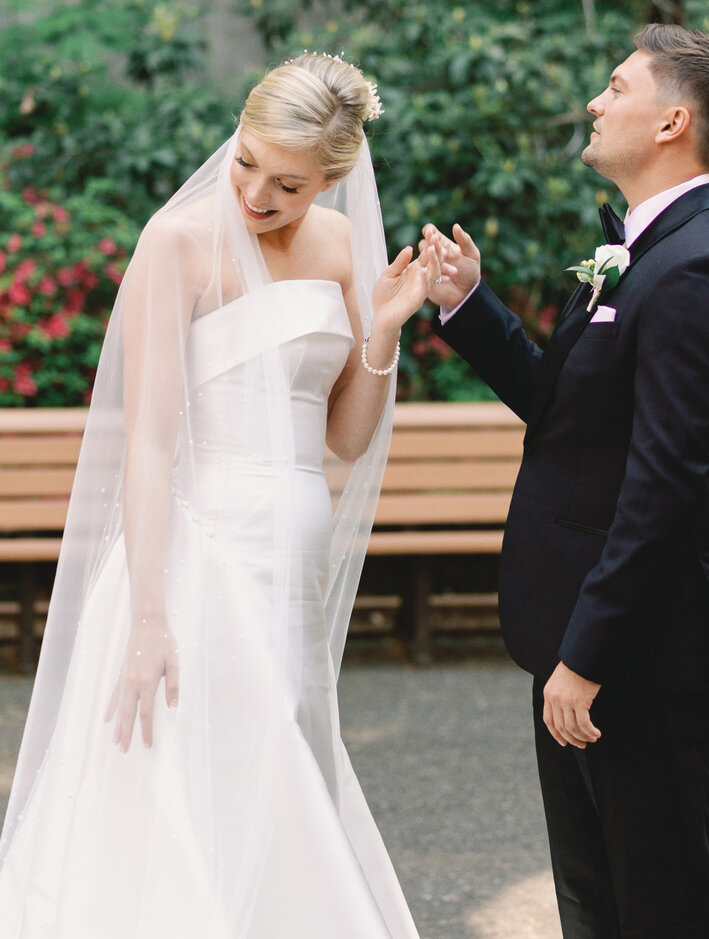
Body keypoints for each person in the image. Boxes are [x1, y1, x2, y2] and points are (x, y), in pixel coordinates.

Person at [0, 53, 437, 937]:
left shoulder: (338, 251)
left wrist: (383, 329)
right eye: (246, 161)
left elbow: (343, 439)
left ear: (331, 180)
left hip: (293, 553)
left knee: (277, 758)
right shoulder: (179, 242)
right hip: (196, 547)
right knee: (188, 764)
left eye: (288, 183)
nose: (256, 194)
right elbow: (151, 438)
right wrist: (150, 614)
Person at [422, 24, 709, 938]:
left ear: (671, 122)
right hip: (581, 635)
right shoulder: (636, 251)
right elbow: (568, 415)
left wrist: (587, 656)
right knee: (596, 902)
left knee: (667, 906)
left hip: (645, 651)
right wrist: (469, 305)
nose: (595, 101)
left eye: (618, 86)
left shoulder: (702, 272)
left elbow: (665, 488)